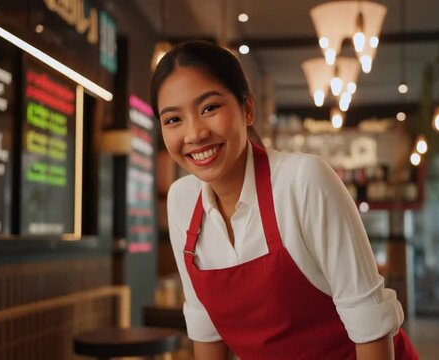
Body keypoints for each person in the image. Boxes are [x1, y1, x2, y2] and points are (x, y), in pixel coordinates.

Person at [150, 40, 416, 360]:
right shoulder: (182, 202)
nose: (194, 134)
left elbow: (371, 327)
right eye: (173, 119)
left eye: (209, 108)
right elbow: (205, 329)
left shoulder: (303, 181)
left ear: (247, 109)